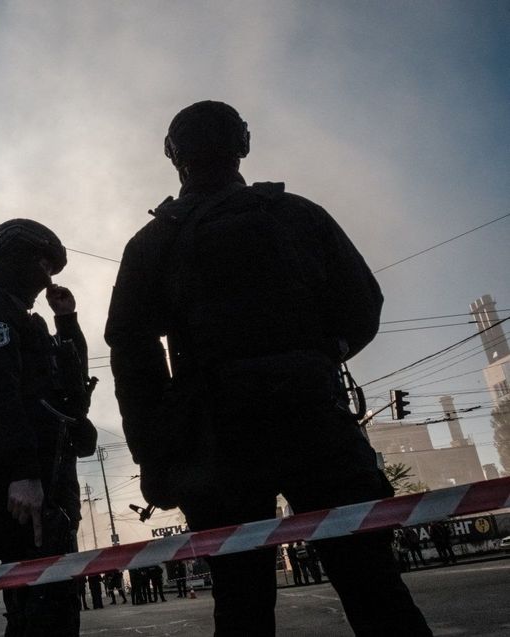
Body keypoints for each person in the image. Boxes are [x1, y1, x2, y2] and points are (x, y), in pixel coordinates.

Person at [105, 100, 432, 636]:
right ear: (244, 146)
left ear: (173, 158)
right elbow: (363, 304)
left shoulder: (154, 241)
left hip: (216, 442)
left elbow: (132, 356)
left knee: (241, 604)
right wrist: (319, 357)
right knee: (374, 587)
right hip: (315, 423)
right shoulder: (297, 214)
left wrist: (156, 454)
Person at [0, 219, 98, 637]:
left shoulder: (28, 320)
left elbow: (72, 396)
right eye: (43, 262)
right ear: (17, 257)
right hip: (32, 477)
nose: (47, 275)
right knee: (43, 608)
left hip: (50, 471)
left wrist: (67, 322)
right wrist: (23, 473)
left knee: (55, 601)